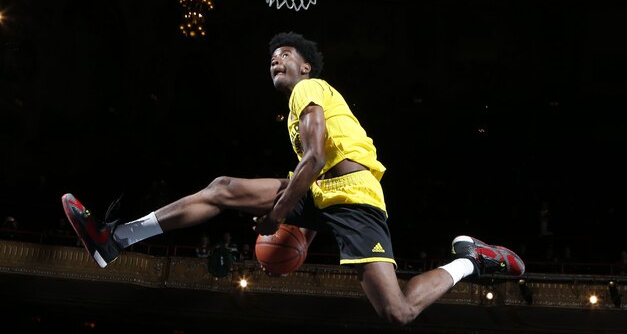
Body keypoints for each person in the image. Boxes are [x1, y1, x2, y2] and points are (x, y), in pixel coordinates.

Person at [61, 31, 525, 326]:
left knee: (397, 312)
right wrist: (295, 227)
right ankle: (115, 239)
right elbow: (310, 173)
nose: (275, 61)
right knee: (223, 187)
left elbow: (316, 157)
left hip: (355, 197)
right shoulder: (291, 111)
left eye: (285, 55)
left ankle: (472, 260)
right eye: (272, 58)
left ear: (305, 66)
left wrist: (278, 217)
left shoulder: (310, 88)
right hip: (322, 193)